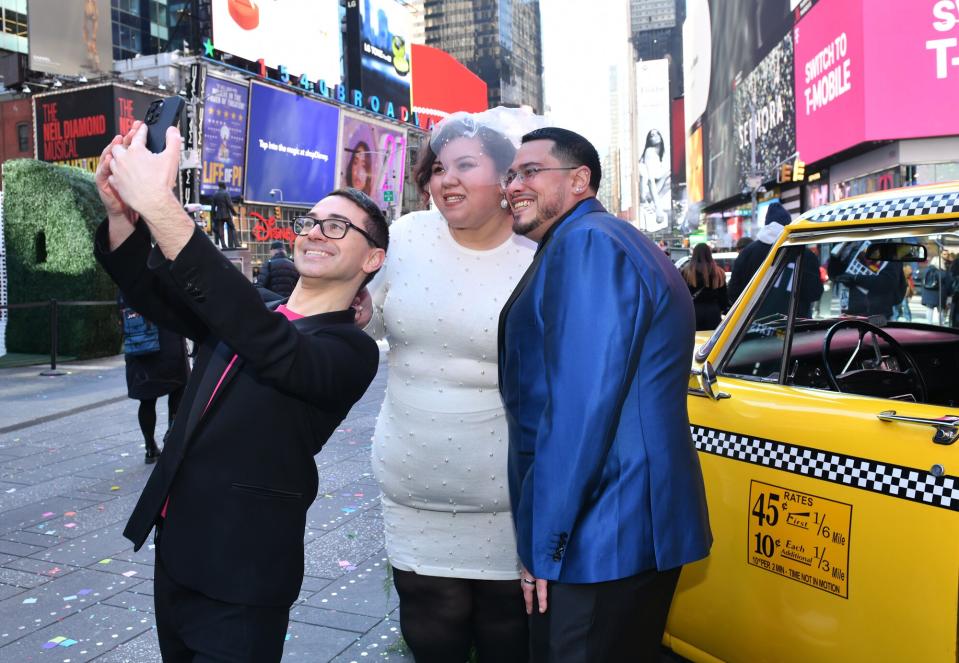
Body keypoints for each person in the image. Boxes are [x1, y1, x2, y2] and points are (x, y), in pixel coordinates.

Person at [93, 121, 387, 662]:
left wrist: (161, 205)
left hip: (244, 573)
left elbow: (268, 343)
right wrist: (120, 212)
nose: (317, 232)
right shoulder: (263, 308)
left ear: (372, 259)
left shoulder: (350, 350)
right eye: (313, 221)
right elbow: (154, 290)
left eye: (339, 227)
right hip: (178, 552)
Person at [499, 127, 712, 661]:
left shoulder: (589, 243)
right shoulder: (592, 240)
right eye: (510, 174)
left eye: (530, 171)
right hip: (615, 528)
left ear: (579, 180)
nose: (513, 185)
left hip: (602, 531)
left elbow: (580, 411)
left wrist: (543, 548)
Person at [365, 108, 543, 663]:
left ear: (506, 177)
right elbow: (367, 320)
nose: (447, 179)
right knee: (428, 630)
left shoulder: (541, 255)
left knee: (505, 633)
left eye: (466, 164)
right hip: (411, 484)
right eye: (438, 168)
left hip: (507, 498)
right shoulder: (405, 237)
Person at [118, 293, 189, 463]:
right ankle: (171, 440)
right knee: (177, 390)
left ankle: (150, 447)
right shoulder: (161, 270)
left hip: (140, 342)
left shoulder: (125, 279)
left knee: (147, 400)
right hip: (168, 338)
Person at [729, 202, 823, 316]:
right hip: (795, 328)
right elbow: (814, 293)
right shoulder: (805, 255)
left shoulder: (747, 254)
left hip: (753, 326)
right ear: (788, 225)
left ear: (766, 225)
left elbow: (733, 292)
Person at [828, 242, 907, 319]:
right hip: (849, 313)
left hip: (878, 315)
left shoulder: (890, 250)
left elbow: (888, 282)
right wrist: (835, 256)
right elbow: (834, 276)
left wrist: (856, 278)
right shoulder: (850, 247)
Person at [681, 243, 730, 330]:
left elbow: (681, 296)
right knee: (713, 341)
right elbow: (724, 298)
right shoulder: (719, 273)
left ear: (694, 254)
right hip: (713, 312)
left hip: (693, 312)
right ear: (709, 254)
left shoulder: (686, 272)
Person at [638, 129, 670, 232]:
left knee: (670, 175)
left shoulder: (657, 155)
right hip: (648, 196)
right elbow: (650, 181)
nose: (655, 136)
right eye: (651, 135)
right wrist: (658, 208)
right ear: (649, 140)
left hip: (652, 195)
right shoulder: (650, 152)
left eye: (657, 133)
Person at [920, 255, 953, 325]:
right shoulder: (943, 273)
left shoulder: (926, 270)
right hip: (940, 294)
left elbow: (922, 281)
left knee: (929, 308)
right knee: (941, 310)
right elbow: (948, 284)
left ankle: (929, 323)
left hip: (928, 293)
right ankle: (941, 324)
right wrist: (949, 294)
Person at [210, 181, 238, 249]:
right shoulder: (226, 193)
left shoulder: (215, 195)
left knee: (220, 230)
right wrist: (234, 213)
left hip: (219, 215)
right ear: (223, 185)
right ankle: (236, 243)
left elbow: (213, 207)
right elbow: (230, 205)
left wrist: (213, 216)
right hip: (227, 214)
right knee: (232, 228)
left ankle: (223, 245)